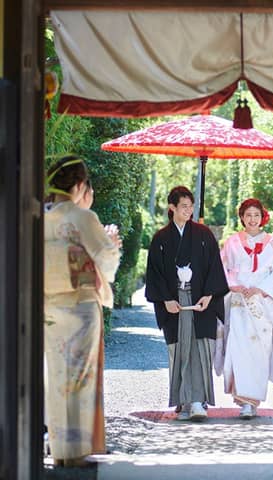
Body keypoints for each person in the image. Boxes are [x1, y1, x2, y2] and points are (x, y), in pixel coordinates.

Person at [44, 156, 121, 467]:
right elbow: (106, 260)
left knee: (56, 376)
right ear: (78, 185)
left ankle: (60, 449)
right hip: (80, 306)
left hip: (48, 306)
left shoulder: (39, 215)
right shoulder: (80, 216)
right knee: (79, 379)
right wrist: (112, 243)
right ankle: (75, 454)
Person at [145, 186, 229, 421]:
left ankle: (198, 401)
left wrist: (210, 295)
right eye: (184, 207)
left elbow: (214, 267)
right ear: (172, 208)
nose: (189, 211)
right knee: (180, 350)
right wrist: (165, 300)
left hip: (200, 301)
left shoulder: (204, 234)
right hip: (174, 303)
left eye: (191, 207)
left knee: (200, 350)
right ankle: (183, 400)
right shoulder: (161, 238)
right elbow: (155, 274)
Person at [220, 198, 273, 418]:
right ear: (242, 217)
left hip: (261, 305)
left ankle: (253, 401)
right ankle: (243, 400)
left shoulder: (272, 243)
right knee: (240, 349)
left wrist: (259, 289)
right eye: (248, 215)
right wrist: (232, 285)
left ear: (262, 217)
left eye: (256, 215)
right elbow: (222, 268)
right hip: (238, 303)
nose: (252, 219)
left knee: (260, 351)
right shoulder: (232, 242)